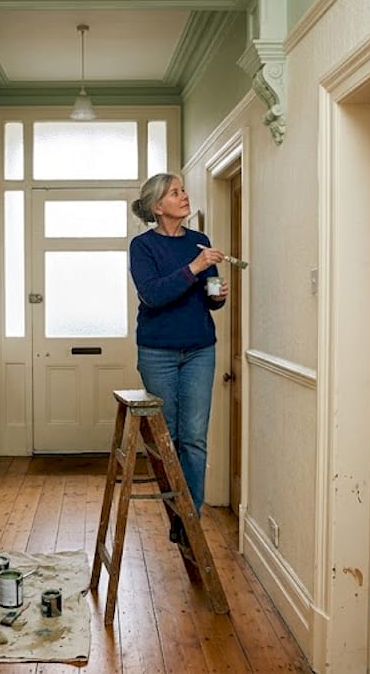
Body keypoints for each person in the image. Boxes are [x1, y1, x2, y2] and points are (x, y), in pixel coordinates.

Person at [129, 173, 228, 548]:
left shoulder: (199, 242)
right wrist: (196, 268)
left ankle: (191, 519)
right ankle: (175, 512)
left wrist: (217, 294)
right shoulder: (142, 246)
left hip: (200, 348)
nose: (184, 196)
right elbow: (153, 295)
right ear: (158, 206)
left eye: (183, 190)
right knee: (167, 436)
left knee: (195, 437)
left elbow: (209, 295)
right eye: (175, 192)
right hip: (158, 351)